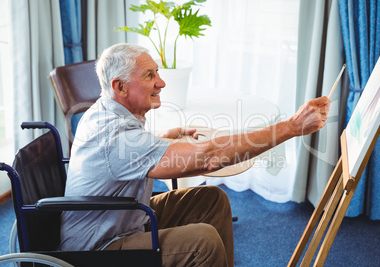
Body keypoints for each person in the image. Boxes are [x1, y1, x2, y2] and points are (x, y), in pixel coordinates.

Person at [60, 43, 331, 267]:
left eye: (157, 73)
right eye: (149, 75)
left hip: (122, 218)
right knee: (204, 242)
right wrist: (291, 127)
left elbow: (121, 156)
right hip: (98, 249)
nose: (161, 82)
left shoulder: (105, 110)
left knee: (212, 199)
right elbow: (209, 157)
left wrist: (160, 141)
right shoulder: (116, 136)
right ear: (120, 87)